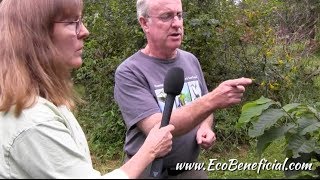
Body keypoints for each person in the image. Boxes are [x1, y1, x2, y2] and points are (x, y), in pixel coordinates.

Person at [0, 0, 175, 179]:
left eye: (80, 21)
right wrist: (149, 150)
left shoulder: (39, 100)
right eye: (71, 22)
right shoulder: (32, 120)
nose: (84, 31)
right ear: (35, 34)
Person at [114, 0, 253, 178]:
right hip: (150, 171)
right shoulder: (130, 71)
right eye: (166, 16)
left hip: (190, 169)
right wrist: (213, 99)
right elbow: (157, 126)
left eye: (179, 15)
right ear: (144, 23)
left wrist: (205, 127)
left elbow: (203, 107)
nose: (177, 23)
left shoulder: (190, 60)